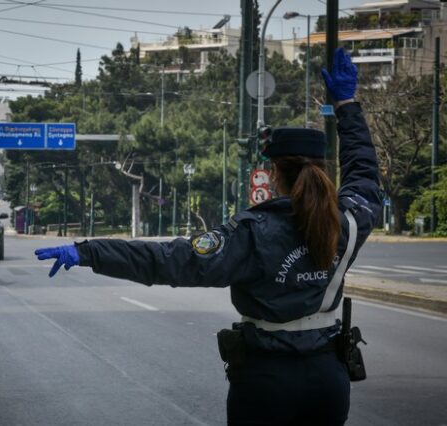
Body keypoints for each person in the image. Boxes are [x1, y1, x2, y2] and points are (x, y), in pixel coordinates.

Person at [35, 48, 381, 425]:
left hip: (267, 382)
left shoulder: (252, 232)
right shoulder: (347, 223)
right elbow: (364, 171)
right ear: (323, 171)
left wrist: (88, 252)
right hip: (328, 382)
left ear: (273, 173)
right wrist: (346, 103)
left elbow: (169, 261)